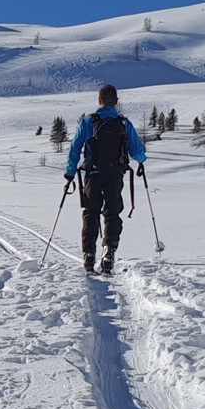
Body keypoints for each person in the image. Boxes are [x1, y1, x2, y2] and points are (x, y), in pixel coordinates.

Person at [63, 83, 147, 274]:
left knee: (91, 212)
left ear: (99, 101)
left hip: (92, 174)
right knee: (112, 212)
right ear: (116, 102)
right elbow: (137, 151)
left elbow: (75, 148)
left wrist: (69, 172)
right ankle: (109, 250)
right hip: (115, 175)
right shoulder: (124, 124)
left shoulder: (88, 122)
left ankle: (89, 254)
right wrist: (142, 160)